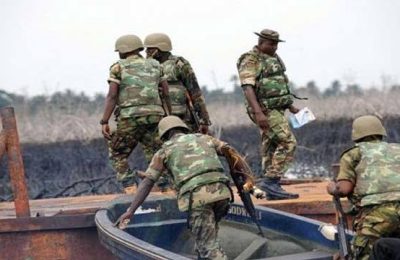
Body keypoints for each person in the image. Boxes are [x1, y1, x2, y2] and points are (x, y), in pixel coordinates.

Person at [115, 116, 265, 260]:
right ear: (183, 128)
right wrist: (248, 178)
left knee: (208, 246)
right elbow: (230, 151)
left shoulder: (164, 151)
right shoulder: (205, 138)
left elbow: (147, 182)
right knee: (206, 238)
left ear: (164, 135)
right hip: (222, 194)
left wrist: (130, 211)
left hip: (197, 199)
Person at [100, 34, 171, 192]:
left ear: (123, 50)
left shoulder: (118, 67)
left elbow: (112, 96)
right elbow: (166, 93)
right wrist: (169, 115)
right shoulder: (155, 65)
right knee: (156, 153)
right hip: (155, 115)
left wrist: (104, 121)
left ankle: (130, 187)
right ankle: (166, 188)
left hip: (130, 118)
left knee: (118, 152)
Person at [236, 28, 300, 200]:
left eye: (276, 44)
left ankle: (269, 185)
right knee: (287, 142)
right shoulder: (251, 59)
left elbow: (277, 85)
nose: (275, 48)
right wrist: (258, 112)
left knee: (271, 145)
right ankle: (271, 181)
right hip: (264, 110)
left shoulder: (273, 58)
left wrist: (291, 106)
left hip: (276, 108)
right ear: (261, 43)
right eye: (271, 44)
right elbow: (247, 87)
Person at [327, 115, 400, 260]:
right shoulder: (397, 149)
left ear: (355, 134)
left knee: (361, 255)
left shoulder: (353, 154)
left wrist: (331, 188)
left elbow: (344, 189)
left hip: (377, 216)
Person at [143, 33, 211, 134]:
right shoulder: (145, 66)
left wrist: (204, 120)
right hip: (156, 118)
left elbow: (195, 92)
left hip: (182, 118)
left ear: (160, 48)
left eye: (150, 49)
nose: (146, 52)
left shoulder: (179, 64)